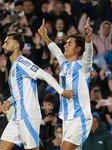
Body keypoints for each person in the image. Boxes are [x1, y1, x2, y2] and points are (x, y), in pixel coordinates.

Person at [0, 32, 75, 150]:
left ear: (16, 46)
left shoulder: (23, 63)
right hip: (17, 115)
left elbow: (45, 75)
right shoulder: (14, 66)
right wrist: (9, 101)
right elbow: (20, 91)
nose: (3, 46)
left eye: (7, 43)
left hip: (28, 115)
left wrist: (62, 91)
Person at [39, 18, 93, 150]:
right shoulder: (64, 64)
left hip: (80, 118)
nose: (65, 45)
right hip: (66, 119)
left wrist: (87, 38)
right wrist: (45, 37)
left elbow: (89, 54)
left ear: (78, 49)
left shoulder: (83, 66)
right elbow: (56, 51)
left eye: (69, 44)